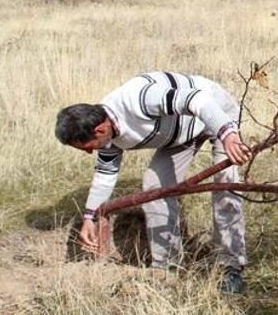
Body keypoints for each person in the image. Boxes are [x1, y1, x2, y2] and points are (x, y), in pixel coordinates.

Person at [54, 71, 251, 293]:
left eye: (88, 146)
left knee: (226, 184)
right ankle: (168, 268)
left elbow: (198, 100)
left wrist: (227, 133)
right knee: (154, 187)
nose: (90, 152)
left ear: (100, 129)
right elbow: (104, 177)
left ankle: (231, 266)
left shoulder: (140, 100)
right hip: (180, 133)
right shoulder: (106, 133)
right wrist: (90, 218)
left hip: (217, 114)